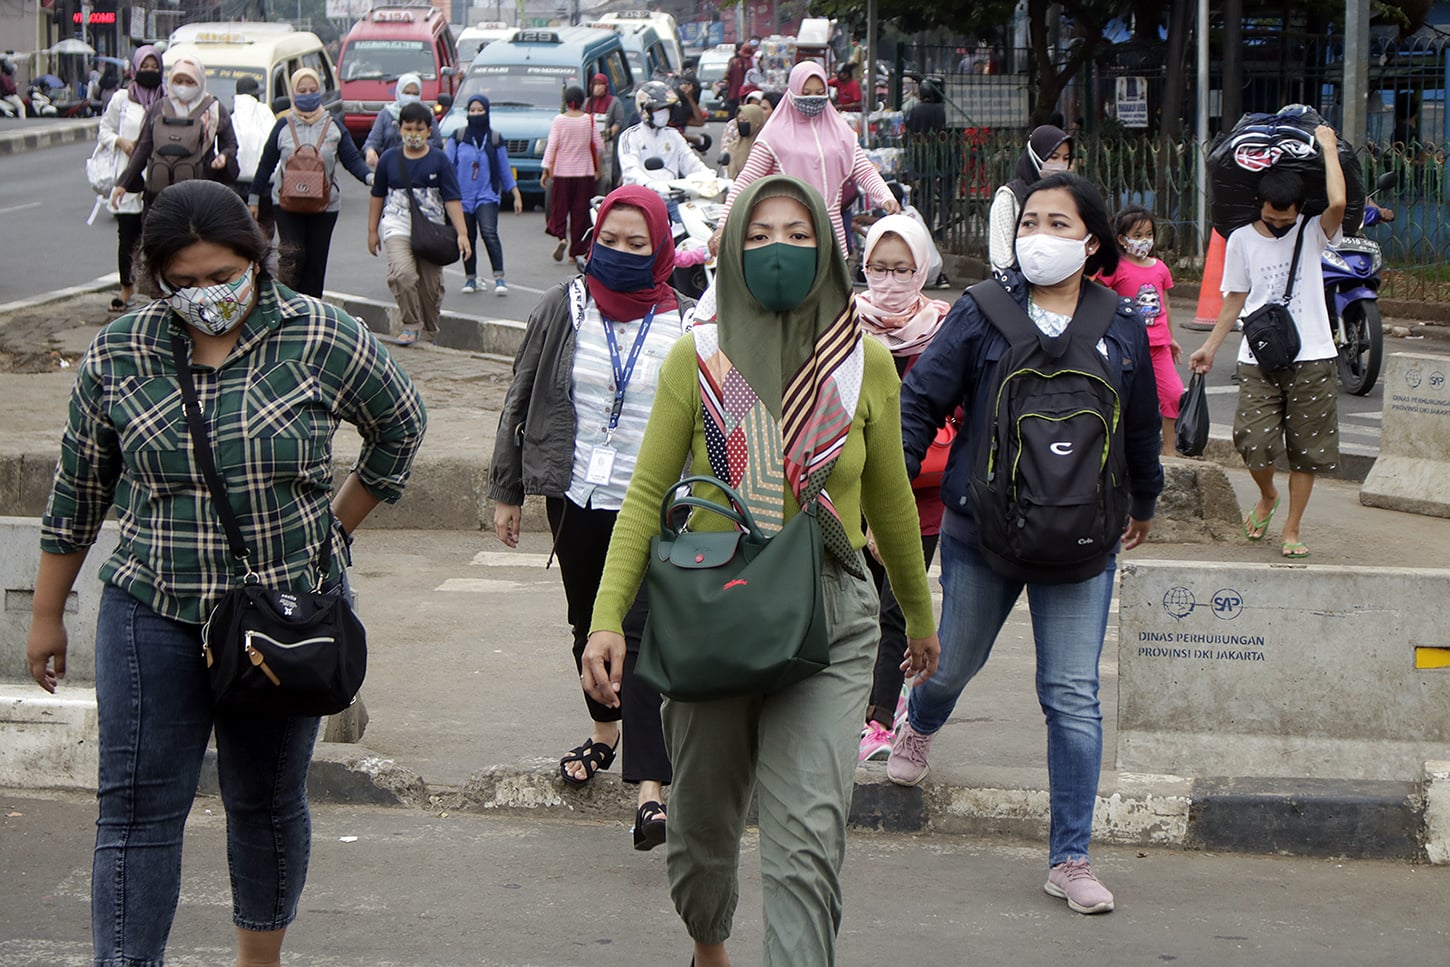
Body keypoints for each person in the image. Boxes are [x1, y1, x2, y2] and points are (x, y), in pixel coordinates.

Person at [26, 179, 426, 967]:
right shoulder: (121, 351)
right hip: (153, 611)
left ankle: (258, 957)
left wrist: (332, 532)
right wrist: (47, 612)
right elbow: (78, 490)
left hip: (283, 620)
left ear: (255, 255)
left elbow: (400, 426)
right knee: (135, 810)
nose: (205, 295)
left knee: (265, 801)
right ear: (156, 278)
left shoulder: (320, 334)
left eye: (222, 276)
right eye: (184, 283)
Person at [580, 175, 939, 967]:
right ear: (733, 248)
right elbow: (644, 497)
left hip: (830, 615)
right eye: (762, 233)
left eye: (799, 233)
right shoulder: (695, 360)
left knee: (809, 835)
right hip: (715, 607)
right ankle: (710, 946)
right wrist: (608, 615)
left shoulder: (865, 363)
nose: (780, 248)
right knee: (703, 832)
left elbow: (894, 504)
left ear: (827, 249)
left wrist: (918, 614)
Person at [891, 172, 1164, 916]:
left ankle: (1070, 857)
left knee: (1071, 695)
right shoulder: (982, 313)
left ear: (1092, 241)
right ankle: (920, 720)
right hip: (983, 533)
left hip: (1084, 539)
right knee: (952, 665)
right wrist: (889, 501)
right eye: (1031, 220)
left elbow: (1140, 425)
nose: (1040, 233)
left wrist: (1145, 497)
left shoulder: (1120, 325)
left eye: (1058, 222)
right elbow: (920, 403)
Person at [490, 185, 694, 852]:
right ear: (593, 238)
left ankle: (649, 789)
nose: (623, 253)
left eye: (639, 244)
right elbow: (520, 396)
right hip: (575, 494)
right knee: (588, 624)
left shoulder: (687, 322)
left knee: (635, 634)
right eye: (612, 240)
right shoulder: (562, 308)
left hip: (657, 504)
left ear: (662, 246)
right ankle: (605, 732)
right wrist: (507, 489)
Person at [1188, 124, 1347, 559]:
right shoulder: (1239, 239)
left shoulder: (1313, 230)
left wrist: (1329, 149)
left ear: (1299, 209)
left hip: (1313, 355)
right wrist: (1211, 347)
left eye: (1287, 218)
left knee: (1307, 451)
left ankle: (1292, 530)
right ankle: (1267, 495)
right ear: (1260, 204)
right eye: (1273, 218)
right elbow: (1234, 297)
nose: (1279, 225)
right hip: (1258, 356)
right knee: (1251, 441)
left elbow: (1338, 202)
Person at [852, 214, 954, 761]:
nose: (889, 280)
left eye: (903, 268)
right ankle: (855, 706)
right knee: (851, 605)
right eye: (879, 268)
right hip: (850, 491)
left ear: (922, 269)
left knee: (898, 608)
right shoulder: (846, 323)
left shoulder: (944, 326)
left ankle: (882, 716)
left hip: (922, 495)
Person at [715, 62, 900, 258]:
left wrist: (885, 197)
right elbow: (746, 181)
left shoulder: (840, 131)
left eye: (820, 92)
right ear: (793, 92)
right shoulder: (774, 135)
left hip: (832, 236)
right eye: (806, 92)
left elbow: (864, 170)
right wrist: (722, 226)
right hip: (791, 238)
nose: (813, 99)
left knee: (834, 288)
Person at [248, 68, 373, 298]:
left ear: (320, 91)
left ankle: (312, 309)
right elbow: (266, 165)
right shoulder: (282, 125)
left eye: (313, 90)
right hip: (286, 203)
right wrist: (254, 199)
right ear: (294, 93)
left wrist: (370, 177)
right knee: (292, 256)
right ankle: (288, 303)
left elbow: (351, 159)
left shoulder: (333, 126)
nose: (308, 94)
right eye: (302, 90)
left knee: (316, 260)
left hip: (325, 205)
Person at [367, 100, 471, 346]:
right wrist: (372, 231)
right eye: (408, 128)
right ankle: (411, 324)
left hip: (432, 229)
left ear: (429, 130)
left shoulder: (439, 160)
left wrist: (462, 233)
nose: (413, 134)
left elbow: (452, 199)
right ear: (399, 128)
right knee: (403, 274)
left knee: (430, 287)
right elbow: (377, 196)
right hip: (397, 223)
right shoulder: (389, 159)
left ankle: (429, 332)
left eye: (419, 129)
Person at [1099, 205, 1182, 455]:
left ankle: (1169, 449)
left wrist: (1172, 338)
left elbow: (1164, 303)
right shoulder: (1115, 268)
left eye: (1148, 234)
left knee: (1173, 394)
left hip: (1159, 346)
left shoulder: (1160, 268)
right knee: (1126, 398)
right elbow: (1102, 299)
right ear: (1121, 239)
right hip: (1128, 347)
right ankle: (1121, 448)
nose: (1144, 241)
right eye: (1137, 235)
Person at [111, 54, 239, 210]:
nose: (183, 86)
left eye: (190, 81)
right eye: (179, 81)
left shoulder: (214, 110)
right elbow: (143, 148)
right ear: (171, 81)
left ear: (199, 82)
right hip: (159, 196)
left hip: (200, 197)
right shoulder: (159, 108)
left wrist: (224, 157)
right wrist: (123, 183)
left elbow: (231, 144)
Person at [96, 45, 163, 314]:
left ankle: (159, 289)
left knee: (158, 236)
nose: (149, 72)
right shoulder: (122, 100)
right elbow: (104, 130)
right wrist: (119, 141)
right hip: (129, 180)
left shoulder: (167, 100)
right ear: (134, 70)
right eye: (144, 67)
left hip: (159, 179)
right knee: (128, 236)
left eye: (154, 67)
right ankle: (127, 289)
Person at [446, 95, 523, 296]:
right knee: (467, 237)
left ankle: (499, 277)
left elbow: (505, 170)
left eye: (480, 110)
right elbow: (447, 166)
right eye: (472, 110)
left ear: (487, 112)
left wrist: (515, 194)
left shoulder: (495, 138)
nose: (476, 114)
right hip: (462, 197)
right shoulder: (458, 137)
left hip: (487, 195)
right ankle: (471, 279)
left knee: (489, 232)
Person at [988, 124, 1071, 271]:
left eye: (1066, 158)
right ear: (1035, 156)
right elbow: (1001, 258)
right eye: (1053, 157)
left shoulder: (1070, 196)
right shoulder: (1010, 197)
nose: (1060, 165)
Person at [540, 84, 603, 271]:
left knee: (559, 209)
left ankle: (561, 237)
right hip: (584, 172)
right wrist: (597, 168)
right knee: (581, 212)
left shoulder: (559, 120)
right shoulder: (588, 120)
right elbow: (599, 146)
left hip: (562, 171)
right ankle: (575, 252)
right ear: (583, 100)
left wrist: (545, 170)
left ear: (566, 101)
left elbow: (552, 145)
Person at [618, 81, 710, 190]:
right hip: (640, 198)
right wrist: (650, 184)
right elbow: (630, 171)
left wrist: (710, 177)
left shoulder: (673, 135)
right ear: (645, 109)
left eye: (668, 108)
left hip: (671, 196)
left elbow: (691, 162)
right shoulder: (630, 136)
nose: (665, 112)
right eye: (660, 108)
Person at [362, 72, 442, 168]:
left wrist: (414, 145)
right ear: (399, 92)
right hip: (392, 166)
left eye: (415, 94)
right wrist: (370, 151)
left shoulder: (426, 113)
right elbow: (372, 141)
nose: (411, 97)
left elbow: (437, 142)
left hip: (421, 165)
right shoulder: (387, 113)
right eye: (407, 93)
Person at [230, 75, 275, 202]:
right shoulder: (265, 113)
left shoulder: (231, 117)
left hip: (235, 185)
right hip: (266, 184)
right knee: (264, 219)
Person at [585, 72, 629, 193]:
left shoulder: (614, 102)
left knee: (607, 173)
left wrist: (609, 133)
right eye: (595, 84)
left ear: (606, 86)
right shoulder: (587, 102)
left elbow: (619, 122)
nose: (597, 87)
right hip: (588, 144)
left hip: (607, 144)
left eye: (600, 84)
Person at [724, 102, 765, 181]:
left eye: (745, 120)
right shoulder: (733, 147)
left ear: (756, 122)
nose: (741, 124)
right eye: (739, 120)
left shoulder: (763, 148)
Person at [723, 42, 750, 119]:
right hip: (746, 93)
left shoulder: (732, 61)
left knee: (732, 116)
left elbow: (726, 76)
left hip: (733, 93)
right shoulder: (750, 61)